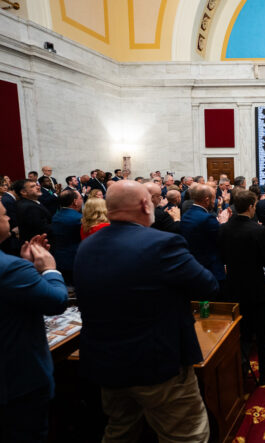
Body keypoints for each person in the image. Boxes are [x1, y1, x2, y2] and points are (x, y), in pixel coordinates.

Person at [73, 181, 218, 442]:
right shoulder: (162, 243)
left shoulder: (88, 245)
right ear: (144, 204)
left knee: (120, 431)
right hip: (157, 363)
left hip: (107, 363)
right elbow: (207, 285)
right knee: (186, 435)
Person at [0, 202, 68, 442]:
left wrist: (28, 270)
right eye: (5, 214)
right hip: (17, 382)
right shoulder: (9, 268)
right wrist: (49, 270)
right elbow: (56, 302)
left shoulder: (13, 268)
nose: (9, 218)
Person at [218, 190, 265, 385]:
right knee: (261, 333)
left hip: (233, 287)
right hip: (255, 288)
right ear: (251, 207)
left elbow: (222, 257)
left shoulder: (223, 229)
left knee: (240, 332)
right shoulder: (257, 230)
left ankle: (241, 369)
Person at [180, 184, 229, 288]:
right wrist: (224, 223)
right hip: (211, 269)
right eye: (214, 197)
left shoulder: (186, 215)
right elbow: (221, 240)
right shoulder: (207, 219)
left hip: (193, 266)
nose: (215, 201)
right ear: (207, 200)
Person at [49, 189, 83, 284]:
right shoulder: (79, 219)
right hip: (74, 258)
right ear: (75, 202)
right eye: (81, 198)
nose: (82, 200)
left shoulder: (56, 215)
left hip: (58, 258)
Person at [16, 179, 53, 243]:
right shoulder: (29, 207)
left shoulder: (32, 202)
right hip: (38, 245)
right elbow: (41, 230)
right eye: (33, 186)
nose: (38, 187)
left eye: (37, 185)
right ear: (23, 192)